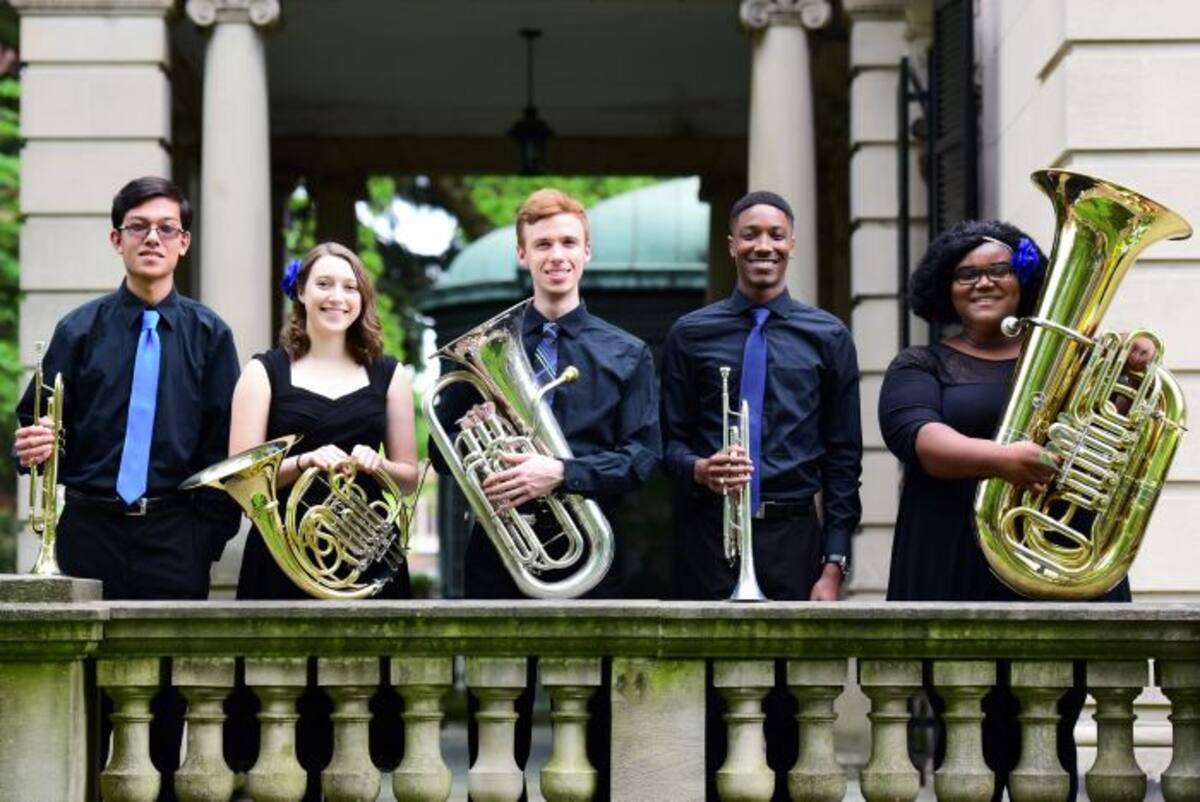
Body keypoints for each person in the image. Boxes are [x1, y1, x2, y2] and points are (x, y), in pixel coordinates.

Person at [878, 219, 1130, 801]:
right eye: (967, 273)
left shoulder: (1073, 359)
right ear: (947, 288)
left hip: (1052, 566)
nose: (983, 282)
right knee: (966, 738)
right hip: (955, 562)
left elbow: (1106, 437)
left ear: (1022, 280)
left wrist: (1127, 381)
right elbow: (919, 440)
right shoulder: (920, 365)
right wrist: (1005, 460)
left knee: (1052, 733)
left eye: (998, 270)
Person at [13, 175, 241, 802]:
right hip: (88, 532)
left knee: (168, 698)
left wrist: (204, 539)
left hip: (175, 533)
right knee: (81, 690)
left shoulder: (210, 335)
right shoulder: (77, 329)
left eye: (166, 227)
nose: (152, 238)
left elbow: (226, 451)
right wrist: (29, 447)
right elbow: (34, 426)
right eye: (139, 226)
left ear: (184, 242)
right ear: (116, 239)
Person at [429, 188, 661, 800]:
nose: (555, 255)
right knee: (497, 703)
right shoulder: (481, 350)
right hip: (500, 551)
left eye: (566, 243)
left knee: (590, 705)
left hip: (592, 558)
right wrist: (470, 432)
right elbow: (439, 454)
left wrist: (561, 472)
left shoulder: (626, 354)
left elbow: (643, 458)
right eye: (542, 245)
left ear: (586, 252)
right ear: (522, 255)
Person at [660, 190, 863, 800]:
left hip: (791, 536)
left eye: (775, 234)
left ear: (792, 243)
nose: (763, 246)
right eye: (750, 234)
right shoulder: (690, 334)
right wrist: (700, 468)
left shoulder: (828, 336)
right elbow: (662, 445)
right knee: (707, 696)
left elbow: (844, 460)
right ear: (732, 246)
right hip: (707, 535)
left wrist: (834, 564)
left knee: (786, 702)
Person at [225, 241, 420, 801]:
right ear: (301, 294)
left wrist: (379, 463)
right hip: (284, 562)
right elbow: (240, 473)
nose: (338, 296)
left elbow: (409, 474)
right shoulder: (265, 372)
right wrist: (306, 459)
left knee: (361, 717)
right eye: (326, 284)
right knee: (284, 717)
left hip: (366, 564)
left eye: (350, 286)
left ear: (363, 298)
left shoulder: (390, 375)